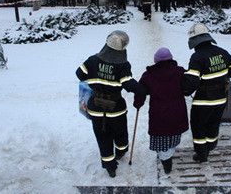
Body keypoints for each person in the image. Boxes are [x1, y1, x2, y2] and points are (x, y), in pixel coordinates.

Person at [75, 30, 146, 178]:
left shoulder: (92, 60)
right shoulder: (123, 65)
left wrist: (96, 77)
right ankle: (121, 151)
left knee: (102, 137)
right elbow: (128, 84)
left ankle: (110, 166)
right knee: (120, 131)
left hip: (95, 106)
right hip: (116, 108)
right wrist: (144, 89)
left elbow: (79, 74)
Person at [182, 23, 231, 163]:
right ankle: (211, 146)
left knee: (199, 126)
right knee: (213, 124)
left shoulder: (197, 57)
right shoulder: (222, 52)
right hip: (221, 98)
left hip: (203, 102)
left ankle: (201, 154)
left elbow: (192, 82)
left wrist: (184, 88)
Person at [133, 48, 188, 174]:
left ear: (156, 61)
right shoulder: (179, 72)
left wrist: (138, 104)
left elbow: (140, 91)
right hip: (177, 112)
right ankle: (168, 154)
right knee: (173, 134)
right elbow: (188, 86)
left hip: (159, 114)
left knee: (162, 137)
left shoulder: (148, 75)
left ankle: (166, 161)